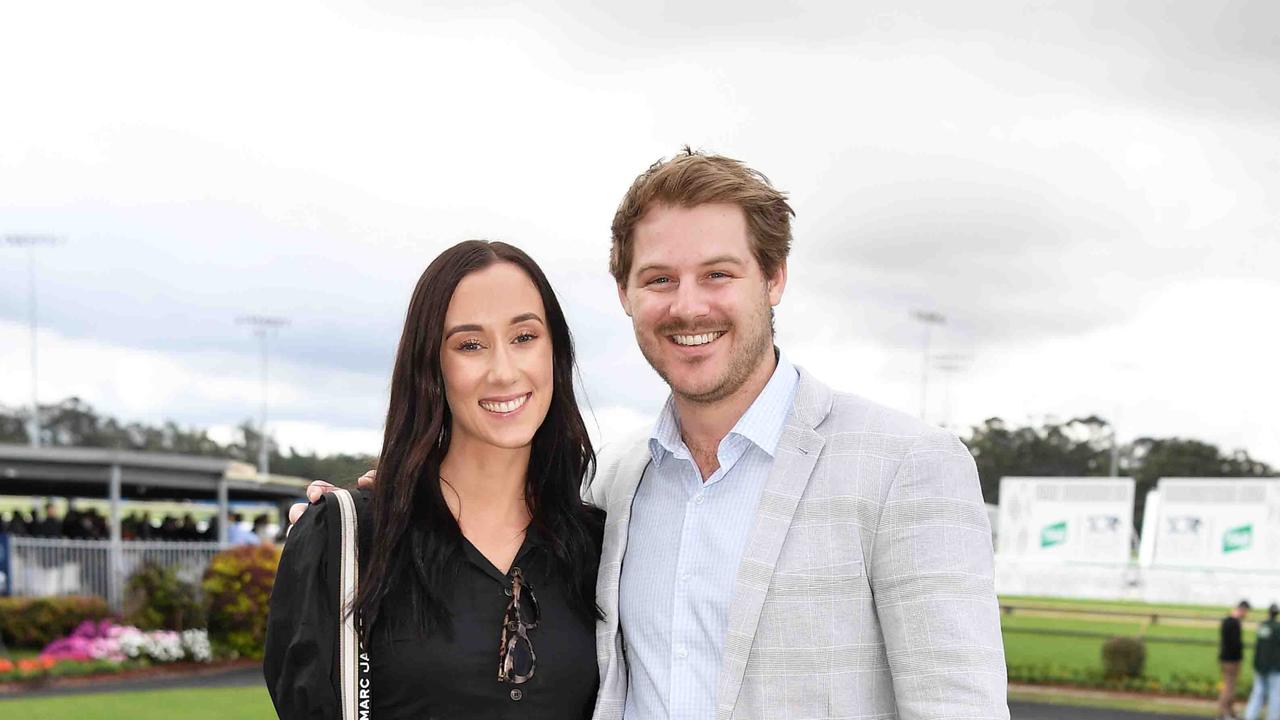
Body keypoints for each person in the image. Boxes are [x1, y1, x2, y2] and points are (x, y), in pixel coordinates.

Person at [295, 149, 1008, 718]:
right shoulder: (612, 484)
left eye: (718, 273)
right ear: (625, 293)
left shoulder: (907, 468)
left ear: (775, 277)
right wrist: (367, 512)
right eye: (660, 278)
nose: (688, 305)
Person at [264, 241, 605, 719]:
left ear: (555, 351)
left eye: (525, 337)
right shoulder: (346, 540)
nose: (504, 371)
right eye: (470, 345)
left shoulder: (602, 548)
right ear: (430, 366)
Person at [1245, 603, 1280, 720]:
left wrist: (1256, 663)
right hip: (1274, 667)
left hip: (1260, 665)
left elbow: (1259, 646)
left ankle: (1250, 715)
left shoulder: (1262, 626)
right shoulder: (1278, 628)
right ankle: (1273, 717)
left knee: (1257, 692)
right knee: (1275, 694)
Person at [1223, 600, 1253, 720]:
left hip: (1229, 659)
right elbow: (1234, 643)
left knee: (1231, 686)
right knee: (1229, 687)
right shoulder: (1233, 622)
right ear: (1243, 609)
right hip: (1231, 660)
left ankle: (1230, 712)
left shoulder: (1229, 621)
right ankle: (1225, 713)